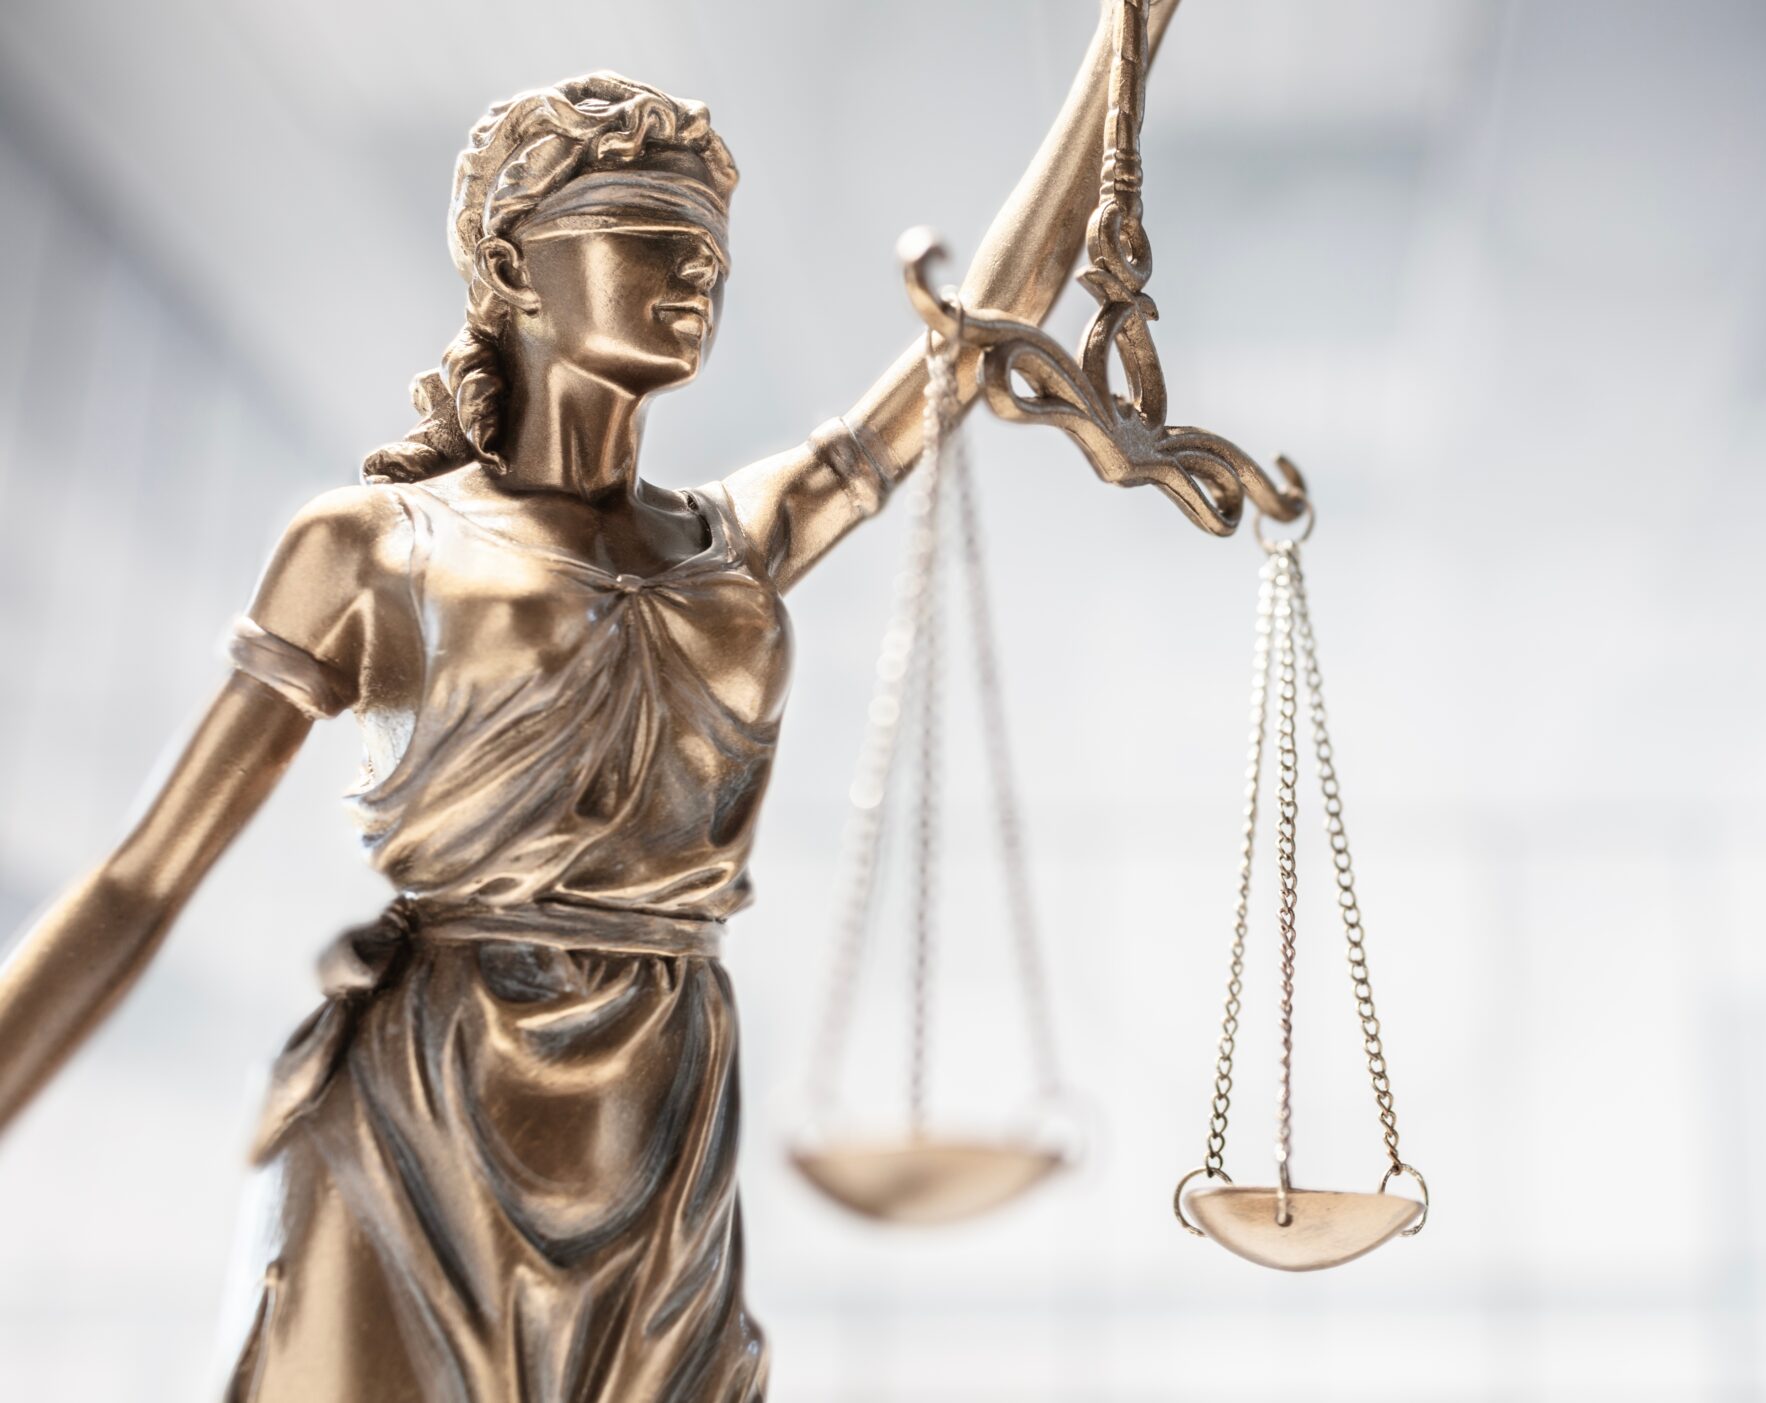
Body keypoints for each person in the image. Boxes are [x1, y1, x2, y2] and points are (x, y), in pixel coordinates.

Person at [0, 4, 1174, 1397]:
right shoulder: (374, 549)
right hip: (421, 1121)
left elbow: (976, 340)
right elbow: (142, 877)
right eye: (649, 237)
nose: (696, 276)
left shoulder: (736, 538)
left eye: (711, 253)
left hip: (661, 1129)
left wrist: (1129, 39)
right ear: (513, 265)